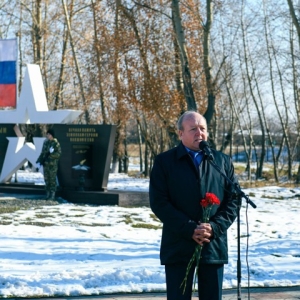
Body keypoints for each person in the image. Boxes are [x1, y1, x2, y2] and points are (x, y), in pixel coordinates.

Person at [149, 111, 239, 300]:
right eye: (193, 129)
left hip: (212, 244)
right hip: (179, 245)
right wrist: (189, 228)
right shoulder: (165, 162)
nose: (199, 133)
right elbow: (159, 202)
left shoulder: (221, 161)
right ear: (180, 133)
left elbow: (234, 200)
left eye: (202, 128)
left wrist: (214, 227)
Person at [36, 128, 61, 200]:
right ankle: (47, 194)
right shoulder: (45, 143)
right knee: (46, 179)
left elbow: (58, 154)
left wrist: (51, 154)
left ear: (52, 135)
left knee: (52, 180)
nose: (47, 135)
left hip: (52, 165)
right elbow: (43, 153)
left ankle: (52, 195)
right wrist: (39, 161)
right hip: (46, 165)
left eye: (49, 134)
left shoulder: (56, 143)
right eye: (47, 134)